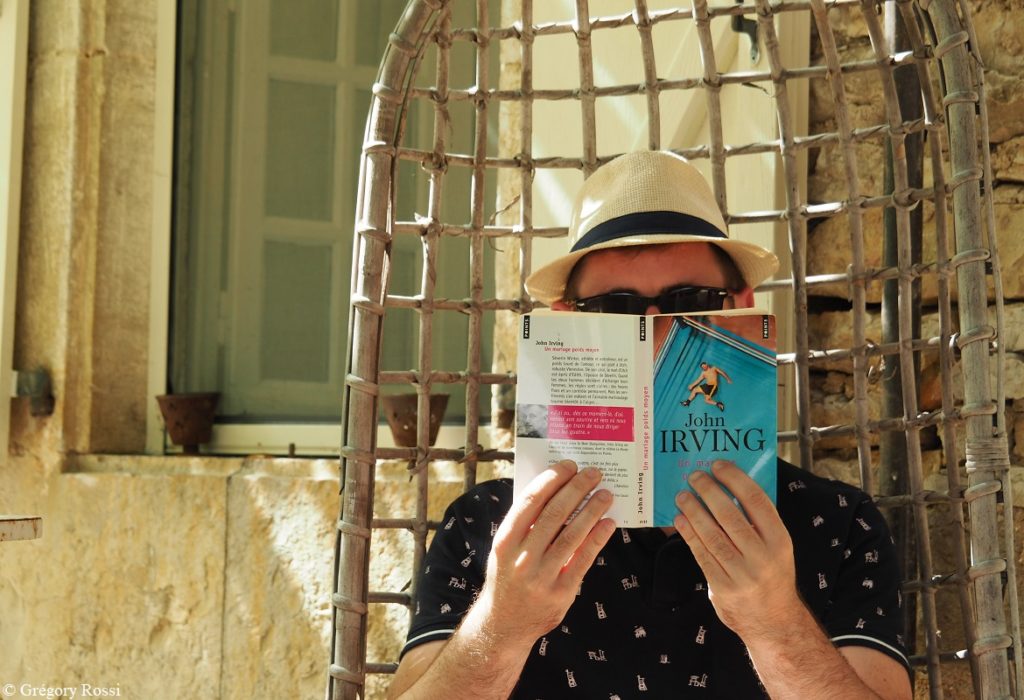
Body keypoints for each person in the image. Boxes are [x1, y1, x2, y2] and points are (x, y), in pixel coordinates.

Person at [388, 151, 912, 699]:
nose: (657, 334)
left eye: (690, 301)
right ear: (567, 324)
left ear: (742, 307)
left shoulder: (839, 525)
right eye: (616, 308)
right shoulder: (488, 526)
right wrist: (503, 623)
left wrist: (775, 623)